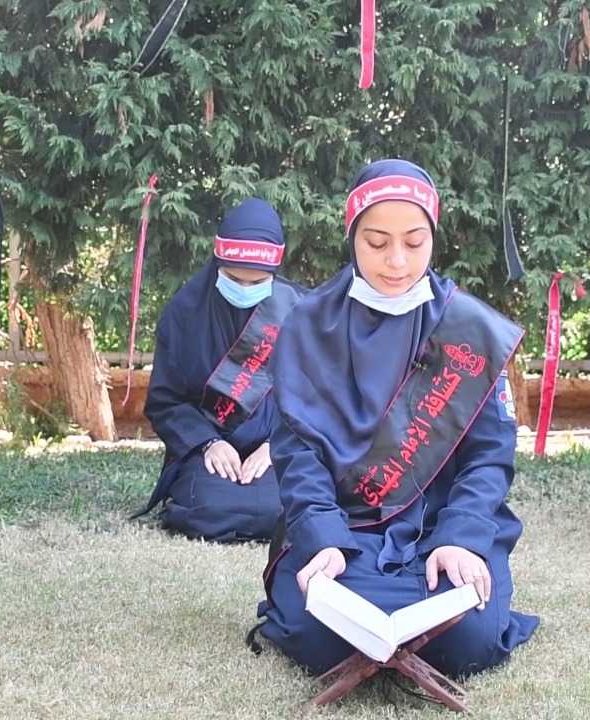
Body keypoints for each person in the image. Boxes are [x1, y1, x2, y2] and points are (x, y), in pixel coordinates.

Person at [255, 159, 539, 678]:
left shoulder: (467, 328)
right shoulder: (307, 324)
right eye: (376, 242)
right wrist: (323, 536)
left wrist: (461, 536)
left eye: (414, 241)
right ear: (352, 238)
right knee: (314, 633)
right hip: (346, 527)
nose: (396, 262)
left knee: (470, 640)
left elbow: (489, 457)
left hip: (439, 525)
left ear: (433, 237)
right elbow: (298, 451)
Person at [139, 198, 304, 542]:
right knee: (209, 507)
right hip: (208, 448)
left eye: (257, 282)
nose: (244, 290)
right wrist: (207, 442)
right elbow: (165, 401)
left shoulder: (301, 311)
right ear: (218, 262)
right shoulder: (184, 312)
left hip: (277, 448)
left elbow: (320, 400)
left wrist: (276, 445)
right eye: (233, 278)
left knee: (281, 508)